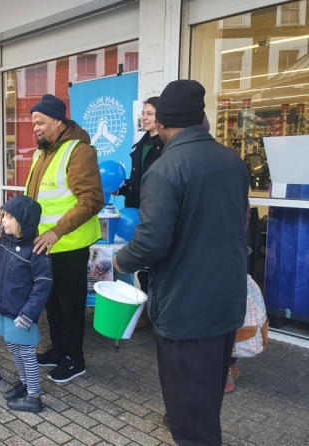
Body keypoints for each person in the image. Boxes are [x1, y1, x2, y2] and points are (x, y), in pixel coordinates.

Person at [113, 80, 250, 445]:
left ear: (162, 121)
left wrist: (120, 260)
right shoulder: (232, 161)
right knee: (205, 390)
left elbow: (152, 242)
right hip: (226, 296)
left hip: (186, 304)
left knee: (189, 410)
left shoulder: (165, 168)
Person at [27, 94, 104, 383]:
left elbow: (91, 200)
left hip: (69, 245)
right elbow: (34, 199)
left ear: (58, 121)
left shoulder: (79, 150)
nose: (35, 128)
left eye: (41, 122)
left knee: (71, 305)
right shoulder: (41, 153)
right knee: (52, 303)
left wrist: (57, 231)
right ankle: (58, 350)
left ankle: (75, 359)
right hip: (44, 246)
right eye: (33, 123)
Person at [0, 194, 52, 413]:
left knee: (27, 352)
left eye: (9, 217)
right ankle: (25, 383)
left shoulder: (37, 251)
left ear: (23, 221)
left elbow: (43, 286)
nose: (3, 221)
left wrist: (29, 314)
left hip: (22, 314)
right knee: (13, 347)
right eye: (3, 216)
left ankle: (34, 397)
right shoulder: (5, 241)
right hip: (6, 309)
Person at [117, 97, 164, 328]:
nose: (145, 118)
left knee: (157, 264)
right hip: (135, 210)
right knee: (143, 266)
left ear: (161, 117)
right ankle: (145, 311)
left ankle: (158, 314)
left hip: (155, 210)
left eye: (150, 113)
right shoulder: (142, 143)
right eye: (143, 113)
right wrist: (122, 186)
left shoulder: (167, 146)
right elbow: (137, 180)